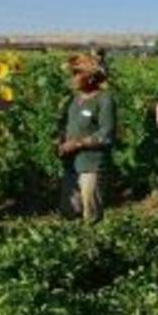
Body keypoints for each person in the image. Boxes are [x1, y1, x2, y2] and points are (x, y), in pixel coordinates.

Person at [58, 55, 116, 223]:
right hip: (71, 164)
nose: (73, 78)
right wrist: (61, 141)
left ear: (90, 77)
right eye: (73, 73)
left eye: (77, 73)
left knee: (90, 213)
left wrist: (77, 144)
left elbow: (106, 134)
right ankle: (74, 246)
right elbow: (68, 125)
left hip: (91, 165)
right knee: (69, 211)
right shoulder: (75, 99)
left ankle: (93, 246)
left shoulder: (104, 99)